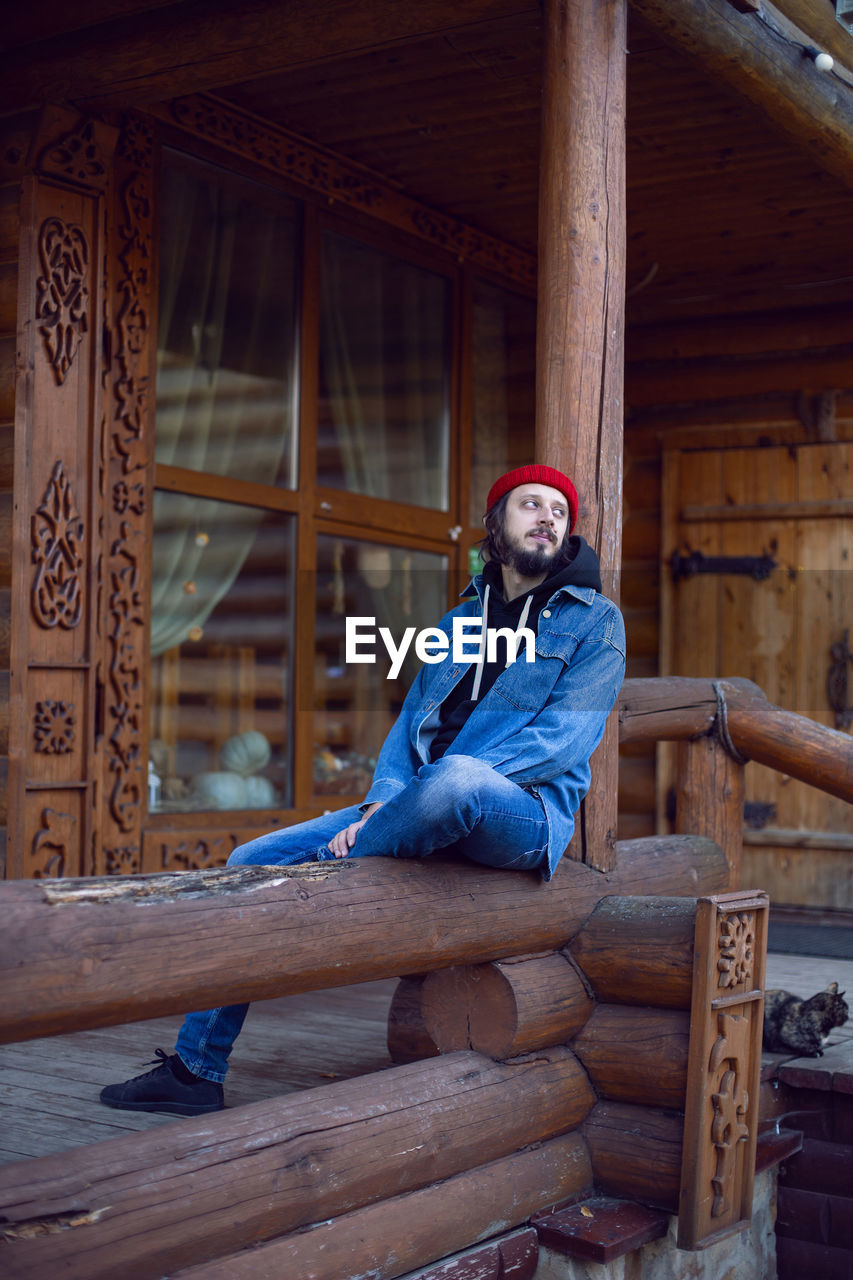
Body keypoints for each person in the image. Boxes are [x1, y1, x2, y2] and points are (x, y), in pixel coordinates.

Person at [99, 464, 625, 1115]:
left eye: (559, 510)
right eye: (530, 504)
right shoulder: (463, 617)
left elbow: (561, 744)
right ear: (496, 524)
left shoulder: (594, 621)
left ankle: (356, 851)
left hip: (521, 815)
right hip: (413, 808)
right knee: (247, 863)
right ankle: (194, 1071)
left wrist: (398, 811)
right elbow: (411, 727)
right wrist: (383, 801)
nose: (548, 516)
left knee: (455, 779)